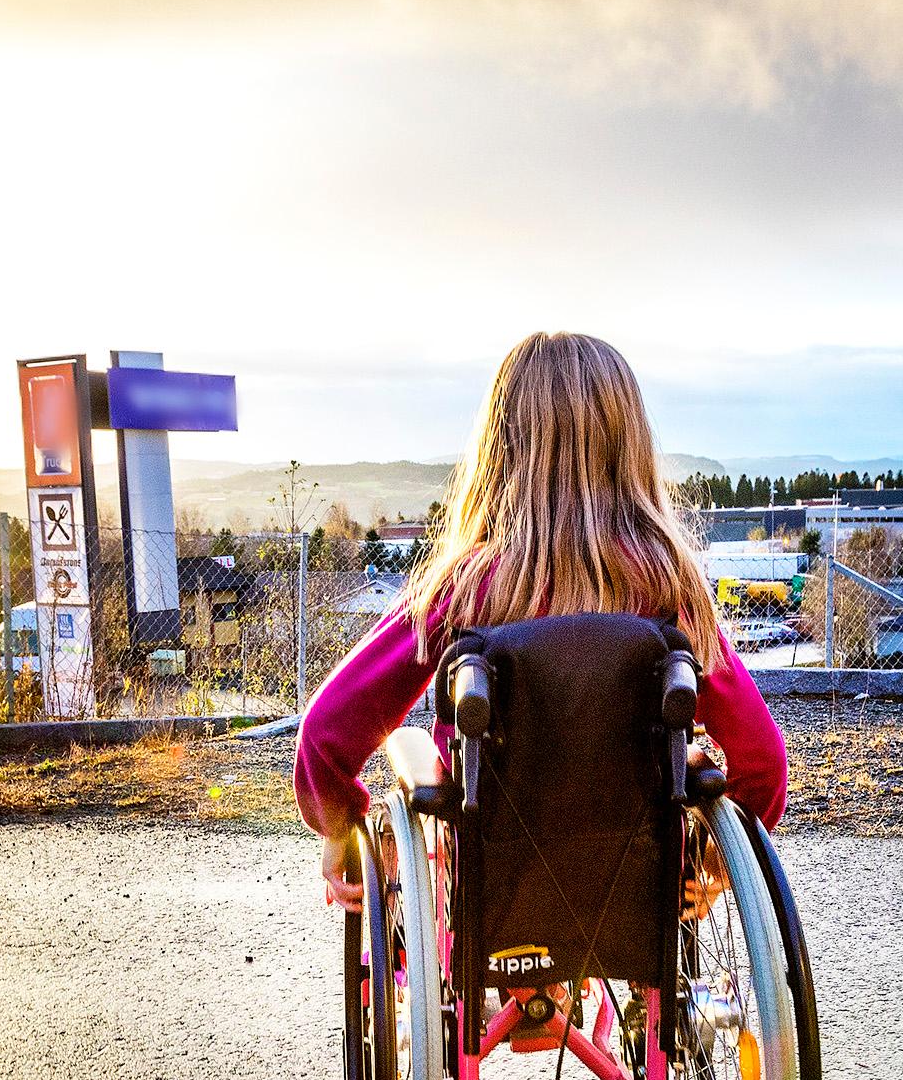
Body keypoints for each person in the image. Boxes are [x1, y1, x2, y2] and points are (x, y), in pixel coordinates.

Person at [294, 330, 788, 912]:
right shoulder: (669, 590)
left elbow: (326, 734)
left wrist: (339, 824)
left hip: (488, 867)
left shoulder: (466, 589)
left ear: (500, 451)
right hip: (636, 870)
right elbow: (763, 761)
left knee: (413, 752)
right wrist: (712, 859)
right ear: (630, 449)